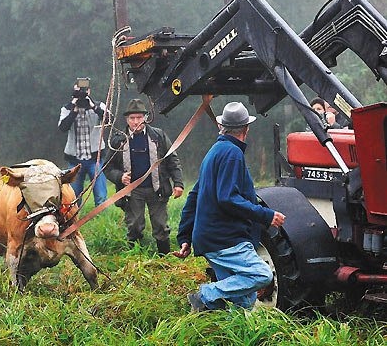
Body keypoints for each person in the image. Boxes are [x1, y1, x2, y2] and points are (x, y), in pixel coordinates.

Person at [173, 101, 286, 311]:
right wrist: (266, 215)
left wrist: (185, 237)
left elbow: (194, 196)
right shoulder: (232, 154)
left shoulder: (213, 153)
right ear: (246, 129)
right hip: (226, 240)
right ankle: (206, 294)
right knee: (262, 275)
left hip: (209, 241)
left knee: (243, 301)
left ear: (220, 127)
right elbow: (228, 198)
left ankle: (228, 335)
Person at [104, 99, 184, 256]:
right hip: (132, 192)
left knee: (161, 226)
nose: (135, 122)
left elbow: (172, 160)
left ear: (145, 118)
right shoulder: (118, 140)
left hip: (157, 189)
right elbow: (107, 167)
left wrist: (178, 183)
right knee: (134, 226)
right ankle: (134, 260)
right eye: (132, 118)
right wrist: (120, 177)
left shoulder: (158, 136)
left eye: (139, 118)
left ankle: (164, 260)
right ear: (127, 120)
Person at [58, 79, 108, 206]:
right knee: (73, 196)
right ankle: (74, 218)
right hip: (75, 160)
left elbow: (108, 120)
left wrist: (93, 106)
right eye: (78, 92)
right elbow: (63, 128)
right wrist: (73, 108)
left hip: (94, 159)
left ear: (89, 91)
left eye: (84, 91)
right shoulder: (67, 109)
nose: (82, 94)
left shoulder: (98, 105)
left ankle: (101, 217)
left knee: (101, 195)